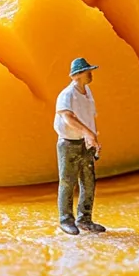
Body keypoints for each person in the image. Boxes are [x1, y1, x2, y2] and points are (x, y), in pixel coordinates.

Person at [54, 57, 106, 236]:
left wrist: (93, 138)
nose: (90, 74)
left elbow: (90, 117)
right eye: (87, 71)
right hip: (69, 143)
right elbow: (68, 118)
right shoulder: (66, 95)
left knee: (89, 182)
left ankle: (84, 219)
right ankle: (65, 219)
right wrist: (87, 133)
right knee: (68, 181)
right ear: (77, 75)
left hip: (86, 144)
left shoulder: (87, 92)